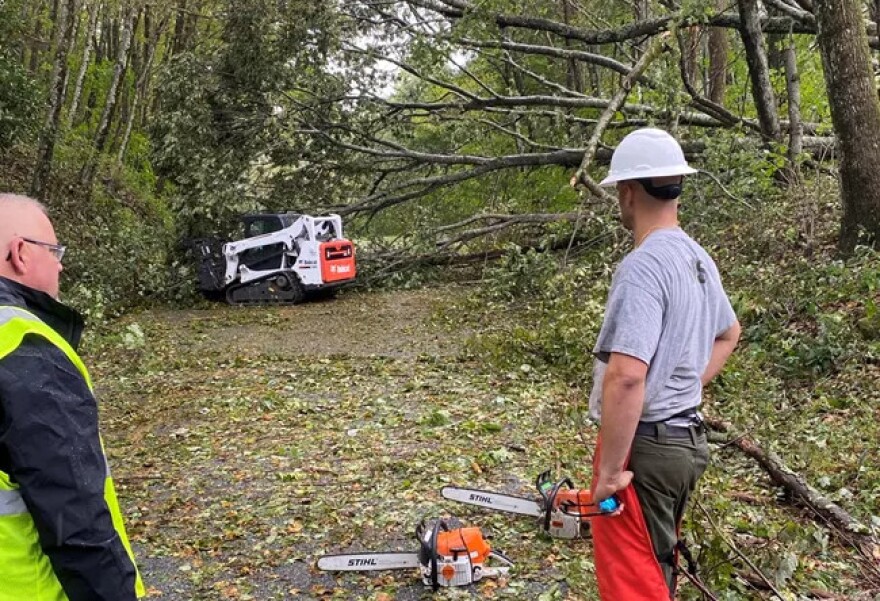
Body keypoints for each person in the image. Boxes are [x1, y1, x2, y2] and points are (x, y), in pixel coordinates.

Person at [586, 129, 741, 600]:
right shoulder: (697, 258)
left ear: (627, 191)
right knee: (656, 566)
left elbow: (627, 376)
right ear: (677, 185)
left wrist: (609, 474)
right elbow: (729, 333)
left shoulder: (643, 267)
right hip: (685, 442)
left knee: (635, 583)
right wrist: (684, 385)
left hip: (649, 449)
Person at [0, 193, 145, 601]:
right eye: (54, 251)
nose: (61, 264)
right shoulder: (23, 346)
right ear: (21, 253)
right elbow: (75, 519)